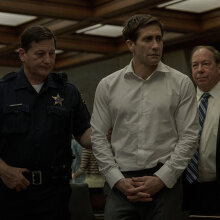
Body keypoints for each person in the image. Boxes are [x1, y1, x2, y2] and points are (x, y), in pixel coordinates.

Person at [90, 14, 199, 220]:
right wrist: (117, 179)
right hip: (120, 183)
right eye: (148, 39)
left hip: (165, 182)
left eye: (159, 39)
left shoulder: (181, 83)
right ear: (131, 44)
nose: (156, 45)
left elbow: (189, 137)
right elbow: (98, 136)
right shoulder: (108, 85)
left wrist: (162, 178)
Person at [0, 25, 91, 220]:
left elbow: (84, 134)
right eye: (40, 54)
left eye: (51, 53)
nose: (48, 60)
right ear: (22, 54)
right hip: (10, 193)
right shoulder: (3, 91)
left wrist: (108, 134)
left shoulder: (67, 91)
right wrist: (3, 170)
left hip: (55, 194)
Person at [183, 46, 220, 215]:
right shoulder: (183, 103)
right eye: (195, 65)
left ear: (218, 67)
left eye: (205, 64)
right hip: (188, 189)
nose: (200, 70)